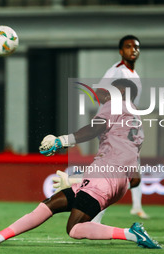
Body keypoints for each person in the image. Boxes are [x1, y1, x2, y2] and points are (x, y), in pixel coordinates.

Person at [0, 79, 161, 249]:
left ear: (120, 93)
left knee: (74, 228)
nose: (105, 93)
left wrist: (62, 140)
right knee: (50, 204)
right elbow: (135, 179)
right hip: (114, 180)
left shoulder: (115, 104)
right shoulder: (136, 123)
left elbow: (95, 127)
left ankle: (131, 234)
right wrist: (83, 181)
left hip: (104, 176)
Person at [54, 35, 148, 221]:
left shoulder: (133, 74)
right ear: (121, 51)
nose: (133, 50)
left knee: (133, 176)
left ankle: (127, 207)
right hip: (113, 125)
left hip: (127, 125)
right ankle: (90, 205)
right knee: (123, 175)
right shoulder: (117, 70)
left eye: (136, 47)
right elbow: (100, 91)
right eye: (128, 47)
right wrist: (111, 109)